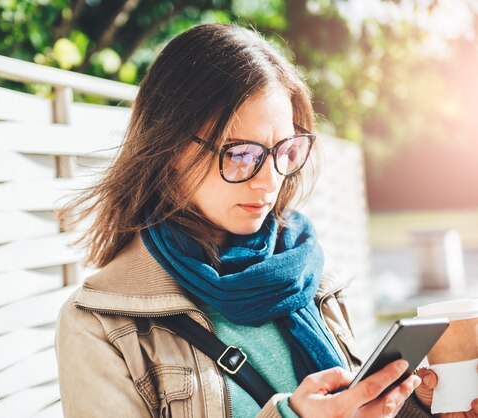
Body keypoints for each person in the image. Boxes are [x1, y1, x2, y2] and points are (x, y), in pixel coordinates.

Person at [54, 23, 477, 418]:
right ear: (169, 149)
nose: (270, 180)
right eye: (240, 154)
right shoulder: (99, 324)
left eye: (283, 151)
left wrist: (416, 406)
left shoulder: (306, 272)